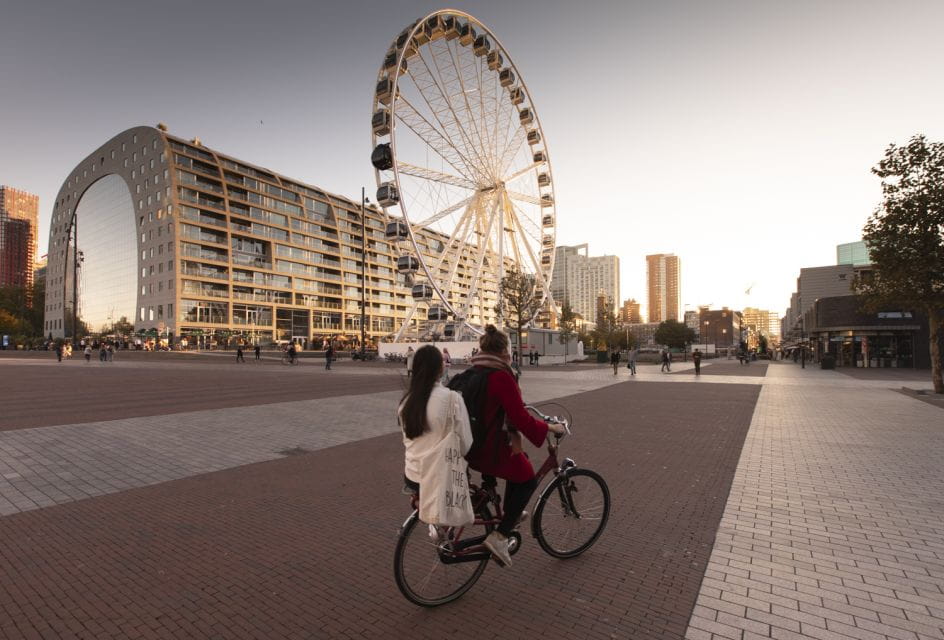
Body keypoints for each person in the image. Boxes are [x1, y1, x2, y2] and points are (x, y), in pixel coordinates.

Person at [464, 325, 565, 567]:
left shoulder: (474, 372)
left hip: (472, 447)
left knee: (520, 462)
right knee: (528, 479)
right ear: (505, 351)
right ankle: (500, 536)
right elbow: (519, 419)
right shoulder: (501, 375)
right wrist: (549, 428)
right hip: (491, 448)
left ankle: (510, 511)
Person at [399, 345, 474, 534]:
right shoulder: (451, 399)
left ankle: (421, 502)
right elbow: (466, 443)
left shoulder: (405, 403)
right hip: (439, 476)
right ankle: (444, 519)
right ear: (439, 368)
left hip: (413, 474)